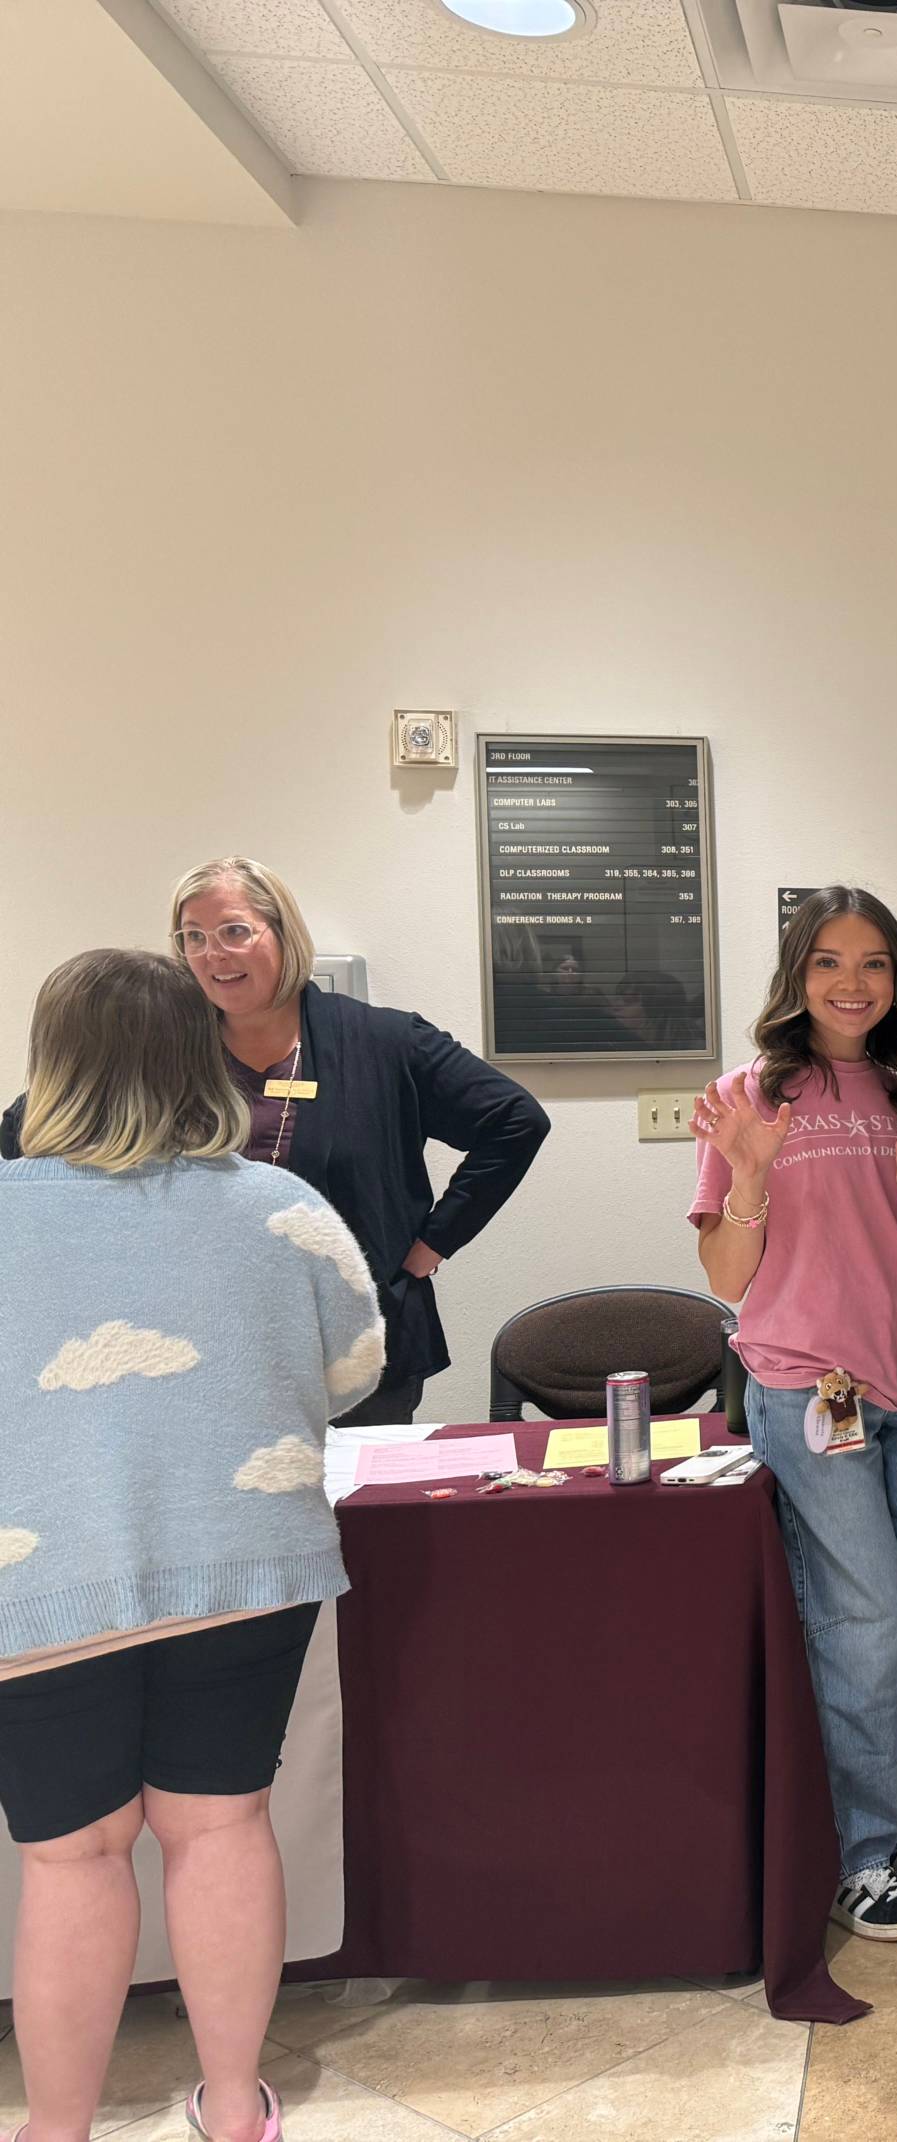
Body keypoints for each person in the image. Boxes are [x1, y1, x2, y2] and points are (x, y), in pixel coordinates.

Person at [0, 949, 386, 2142]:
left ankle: (54, 2131)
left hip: (36, 1575)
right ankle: (231, 2107)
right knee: (219, 1826)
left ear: (50, 1059)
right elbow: (353, 1374)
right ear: (198, 1058)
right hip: (243, 1558)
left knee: (70, 1860)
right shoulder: (280, 1208)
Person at [1, 857, 550, 1426]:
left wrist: (434, 1242)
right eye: (193, 938)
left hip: (346, 1342)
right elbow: (31, 1128)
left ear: (283, 933)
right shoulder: (159, 1047)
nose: (214, 955)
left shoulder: (382, 1042)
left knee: (358, 1509)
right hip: (195, 1346)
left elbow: (515, 1121)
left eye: (235, 931)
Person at [689, 885, 897, 1943]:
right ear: (795, 976)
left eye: (872, 963)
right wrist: (752, 1177)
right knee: (868, 1628)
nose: (851, 984)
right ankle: (863, 1850)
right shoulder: (745, 1098)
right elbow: (727, 1273)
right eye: (827, 962)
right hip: (809, 1393)